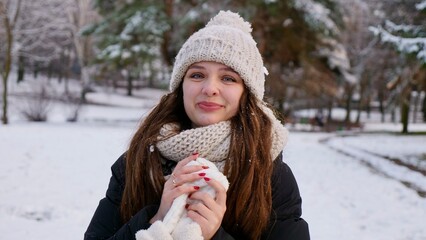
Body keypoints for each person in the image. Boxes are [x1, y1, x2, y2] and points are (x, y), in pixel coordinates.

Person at [84, 10, 310, 240]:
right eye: (197, 75)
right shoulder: (136, 162)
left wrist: (215, 236)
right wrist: (155, 220)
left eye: (228, 78)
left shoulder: (270, 176)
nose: (210, 88)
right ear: (181, 86)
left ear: (247, 93)